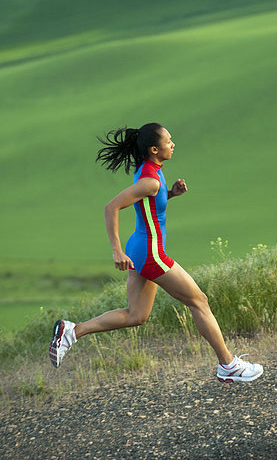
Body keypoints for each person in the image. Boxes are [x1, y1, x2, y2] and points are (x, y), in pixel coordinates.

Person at [49, 123, 263, 383]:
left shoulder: (151, 172)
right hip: (150, 253)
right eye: (168, 140)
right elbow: (111, 207)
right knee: (200, 301)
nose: (173, 144)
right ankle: (228, 365)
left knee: (136, 315)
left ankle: (72, 331)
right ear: (154, 149)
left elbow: (151, 206)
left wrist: (170, 194)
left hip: (139, 249)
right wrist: (115, 251)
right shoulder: (150, 180)